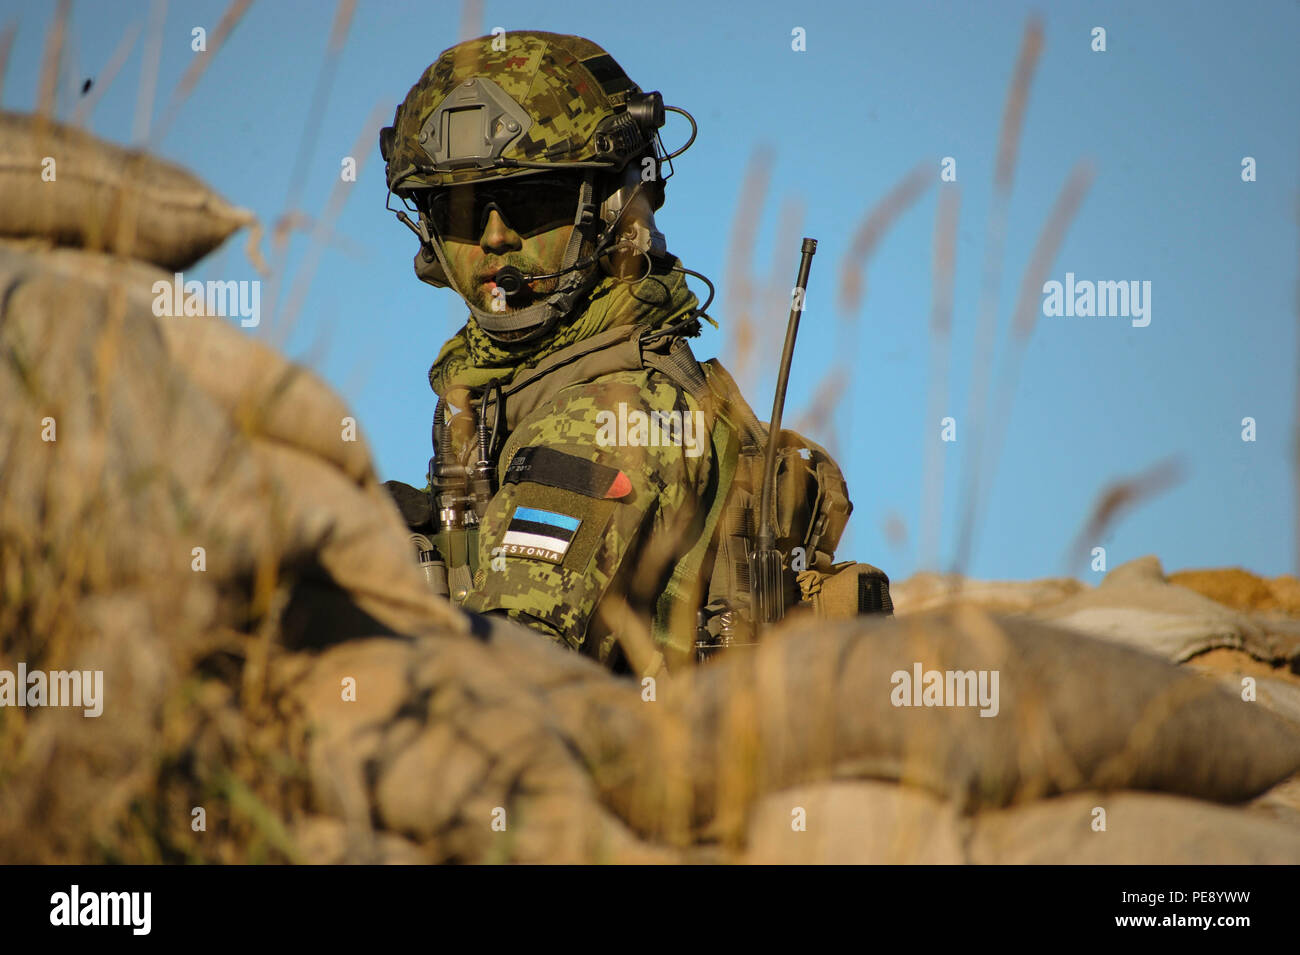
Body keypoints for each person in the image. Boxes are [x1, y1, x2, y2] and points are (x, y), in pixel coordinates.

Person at [379, 31, 883, 673]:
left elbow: (503, 678)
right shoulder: (510, 390)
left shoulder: (609, 414)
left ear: (611, 207)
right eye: (460, 208)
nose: (496, 238)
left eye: (534, 202)